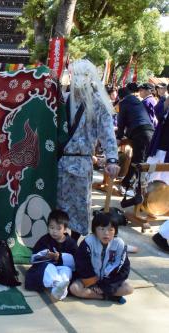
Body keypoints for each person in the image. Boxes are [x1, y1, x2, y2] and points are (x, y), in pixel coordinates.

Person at [57, 59, 120, 241]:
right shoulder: (64, 99)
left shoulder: (98, 102)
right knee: (58, 207)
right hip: (60, 162)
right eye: (75, 74)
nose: (78, 79)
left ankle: (73, 244)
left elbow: (107, 131)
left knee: (78, 208)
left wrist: (112, 159)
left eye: (83, 75)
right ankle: (57, 245)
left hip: (81, 162)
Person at [69, 212, 133, 304]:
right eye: (101, 229)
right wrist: (93, 283)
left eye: (110, 230)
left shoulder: (119, 244)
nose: (106, 233)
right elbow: (82, 265)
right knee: (74, 288)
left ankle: (103, 294)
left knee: (129, 289)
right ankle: (111, 297)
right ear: (94, 230)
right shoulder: (88, 242)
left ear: (115, 231)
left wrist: (106, 287)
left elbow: (124, 270)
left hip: (109, 280)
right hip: (90, 280)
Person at [25, 210, 78, 301]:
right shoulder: (45, 240)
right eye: (51, 227)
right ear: (48, 227)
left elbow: (76, 261)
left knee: (66, 270)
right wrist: (45, 255)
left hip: (62, 267)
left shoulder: (71, 243)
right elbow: (34, 257)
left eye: (58, 228)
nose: (54, 231)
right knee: (49, 267)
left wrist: (60, 257)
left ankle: (60, 290)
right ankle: (58, 284)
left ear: (65, 229)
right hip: (47, 268)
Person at [117, 86, 155, 190]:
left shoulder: (124, 102)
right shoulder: (137, 101)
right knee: (143, 160)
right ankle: (135, 186)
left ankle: (128, 186)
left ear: (120, 96)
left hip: (140, 132)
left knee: (138, 162)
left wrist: (119, 137)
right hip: (150, 131)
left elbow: (121, 122)